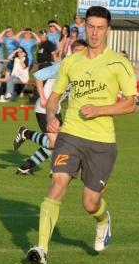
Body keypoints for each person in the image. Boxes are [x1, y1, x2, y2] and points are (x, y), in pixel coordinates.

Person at [26, 6, 137, 264]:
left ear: (108, 30)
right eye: (91, 27)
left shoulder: (118, 63)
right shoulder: (72, 62)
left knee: (90, 203)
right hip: (71, 134)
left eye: (100, 28)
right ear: (84, 27)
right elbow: (54, 98)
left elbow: (130, 104)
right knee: (58, 183)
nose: (95, 33)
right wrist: (52, 117)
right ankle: (41, 248)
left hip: (102, 141)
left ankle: (102, 219)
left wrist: (100, 109)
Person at [13, 39, 88, 175]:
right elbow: (38, 76)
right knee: (56, 143)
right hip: (44, 109)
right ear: (72, 51)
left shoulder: (82, 69)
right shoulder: (63, 65)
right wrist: (42, 97)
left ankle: (25, 167)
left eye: (83, 51)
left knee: (55, 144)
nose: (80, 54)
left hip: (56, 109)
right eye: (77, 51)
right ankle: (27, 134)